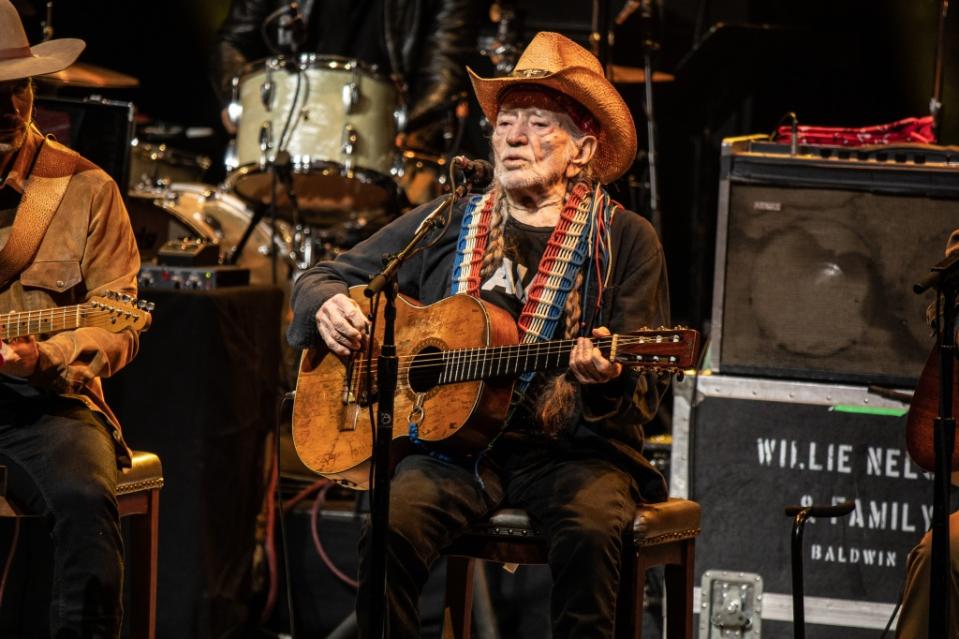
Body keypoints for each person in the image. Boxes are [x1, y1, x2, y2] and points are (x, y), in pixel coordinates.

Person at [288, 31, 670, 637]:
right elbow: (323, 275)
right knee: (388, 525)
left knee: (593, 531)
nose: (514, 136)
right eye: (506, 121)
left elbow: (644, 384)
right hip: (455, 450)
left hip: (568, 453)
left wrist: (606, 377)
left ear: (583, 148)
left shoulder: (626, 239)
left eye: (539, 123)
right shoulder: (449, 219)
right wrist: (328, 303)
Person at [0, 2, 144, 636]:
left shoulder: (86, 187)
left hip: (43, 401)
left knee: (87, 501)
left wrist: (45, 358)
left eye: (20, 88)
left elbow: (119, 320)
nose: (10, 106)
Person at [210, 0, 482, 141]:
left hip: (381, 150)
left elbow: (443, 79)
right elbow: (233, 42)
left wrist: (399, 130)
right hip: (283, 137)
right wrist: (244, 101)